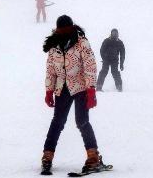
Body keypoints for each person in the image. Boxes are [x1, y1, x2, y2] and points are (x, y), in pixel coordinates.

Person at [40, 15, 106, 175]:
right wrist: (49, 90)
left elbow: (90, 65)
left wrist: (91, 90)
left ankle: (93, 157)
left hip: (81, 87)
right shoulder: (54, 45)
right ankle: (47, 156)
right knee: (58, 122)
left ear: (71, 28)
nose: (62, 33)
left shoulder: (81, 42)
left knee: (82, 121)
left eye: (65, 30)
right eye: (59, 30)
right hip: (62, 88)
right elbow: (50, 69)